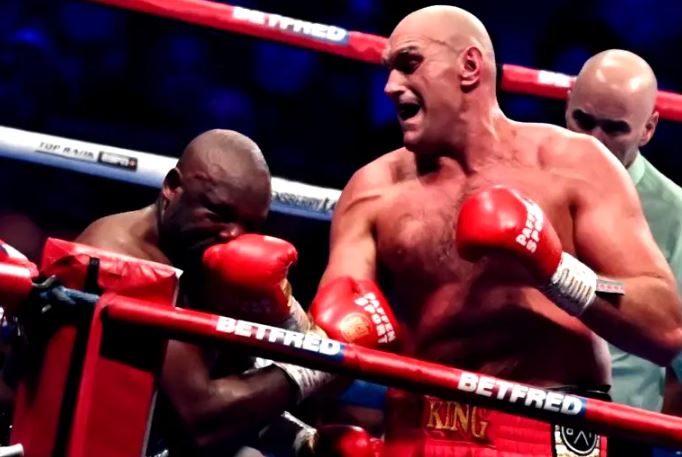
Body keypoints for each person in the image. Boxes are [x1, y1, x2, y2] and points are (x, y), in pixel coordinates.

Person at [309, 6, 682, 456]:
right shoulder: (372, 192)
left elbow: (665, 328)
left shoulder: (574, 165)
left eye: (409, 64)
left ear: (470, 66)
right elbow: (332, 342)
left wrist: (555, 270)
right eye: (389, 69)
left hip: (549, 423)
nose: (390, 85)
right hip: (425, 424)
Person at [76, 129, 385, 457]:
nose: (233, 235)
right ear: (172, 186)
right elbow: (200, 419)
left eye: (251, 226)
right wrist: (322, 357)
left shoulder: (202, 259)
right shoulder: (124, 262)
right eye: (219, 213)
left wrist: (302, 440)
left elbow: (235, 384)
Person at [566, 49, 682, 414]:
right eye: (583, 121)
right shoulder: (527, 176)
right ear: (567, 102)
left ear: (648, 128)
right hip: (527, 408)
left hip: (620, 424)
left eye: (615, 128)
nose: (594, 141)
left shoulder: (676, 215)